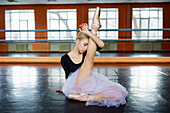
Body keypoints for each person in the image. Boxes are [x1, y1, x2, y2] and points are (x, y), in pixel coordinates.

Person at [60, 7, 128, 107]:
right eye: (84, 44)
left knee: (120, 94)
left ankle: (88, 97)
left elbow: (101, 44)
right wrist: (65, 88)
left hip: (90, 83)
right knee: (88, 60)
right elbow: (68, 77)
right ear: (77, 41)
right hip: (77, 85)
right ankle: (94, 28)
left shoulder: (87, 52)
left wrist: (87, 32)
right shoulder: (65, 58)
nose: (86, 48)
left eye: (88, 45)